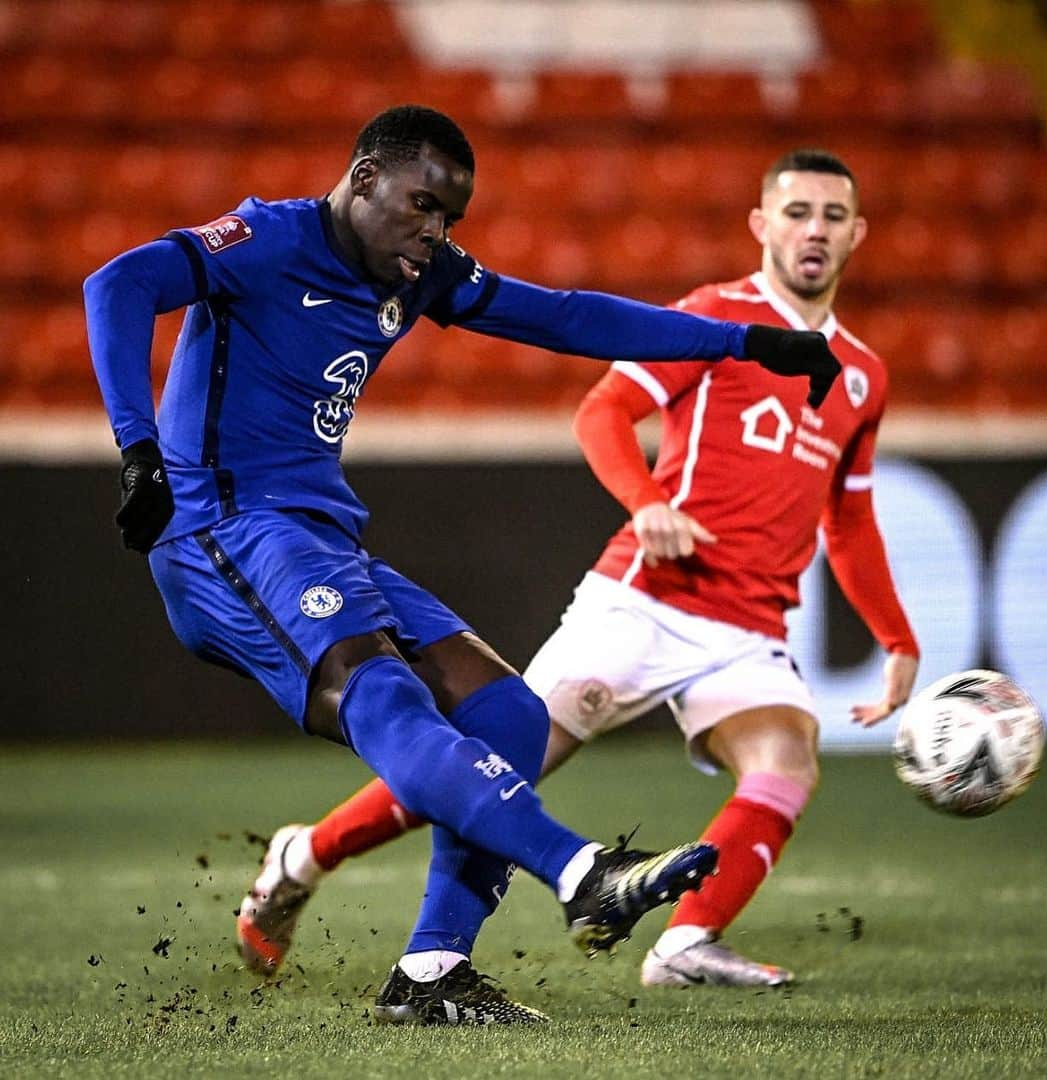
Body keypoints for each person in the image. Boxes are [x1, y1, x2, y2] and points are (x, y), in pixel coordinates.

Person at [84, 107, 843, 1025]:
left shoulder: (420, 274)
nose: (435, 233)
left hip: (318, 535)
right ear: (364, 179)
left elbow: (564, 318)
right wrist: (138, 450)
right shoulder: (267, 239)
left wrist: (747, 343)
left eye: (450, 217)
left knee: (511, 713)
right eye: (421, 205)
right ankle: (582, 871)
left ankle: (432, 974)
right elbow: (119, 282)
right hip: (224, 533)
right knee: (389, 697)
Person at [236, 147, 919, 992]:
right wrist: (646, 501)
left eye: (832, 216)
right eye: (796, 212)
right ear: (762, 225)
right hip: (647, 599)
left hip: (750, 625)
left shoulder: (864, 374)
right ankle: (304, 856)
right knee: (493, 763)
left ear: (858, 233)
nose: (813, 230)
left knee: (787, 758)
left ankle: (686, 944)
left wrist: (894, 636)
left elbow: (847, 516)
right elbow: (604, 412)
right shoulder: (717, 317)